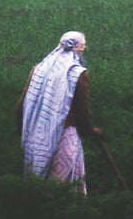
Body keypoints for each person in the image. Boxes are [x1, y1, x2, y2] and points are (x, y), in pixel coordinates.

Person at [18, 30, 100, 193]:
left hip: (36, 135)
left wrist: (24, 130)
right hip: (64, 137)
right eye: (83, 47)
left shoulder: (39, 70)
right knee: (63, 187)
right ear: (79, 49)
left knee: (38, 184)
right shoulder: (77, 74)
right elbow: (81, 112)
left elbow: (21, 106)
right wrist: (89, 131)